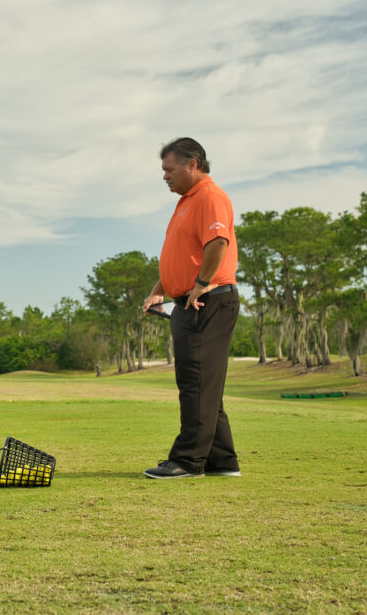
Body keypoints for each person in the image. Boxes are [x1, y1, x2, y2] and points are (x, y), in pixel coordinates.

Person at [141, 138, 241, 479]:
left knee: (196, 382)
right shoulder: (186, 201)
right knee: (205, 384)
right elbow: (182, 254)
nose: (165, 177)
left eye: (170, 170)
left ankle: (188, 461)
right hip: (187, 300)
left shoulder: (210, 197)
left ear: (192, 164)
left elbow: (217, 243)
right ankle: (221, 460)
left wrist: (200, 282)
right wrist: (160, 290)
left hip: (206, 300)